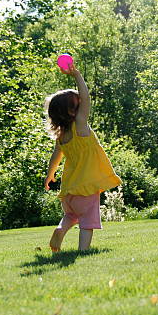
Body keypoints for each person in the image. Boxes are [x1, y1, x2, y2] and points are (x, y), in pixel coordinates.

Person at [43, 60, 121, 252]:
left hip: (69, 190)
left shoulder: (62, 136)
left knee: (71, 216)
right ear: (72, 111)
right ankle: (83, 251)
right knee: (88, 221)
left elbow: (55, 158)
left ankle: (61, 230)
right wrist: (76, 74)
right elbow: (86, 98)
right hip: (86, 187)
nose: (81, 104)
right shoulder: (80, 125)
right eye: (77, 103)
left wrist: (49, 176)